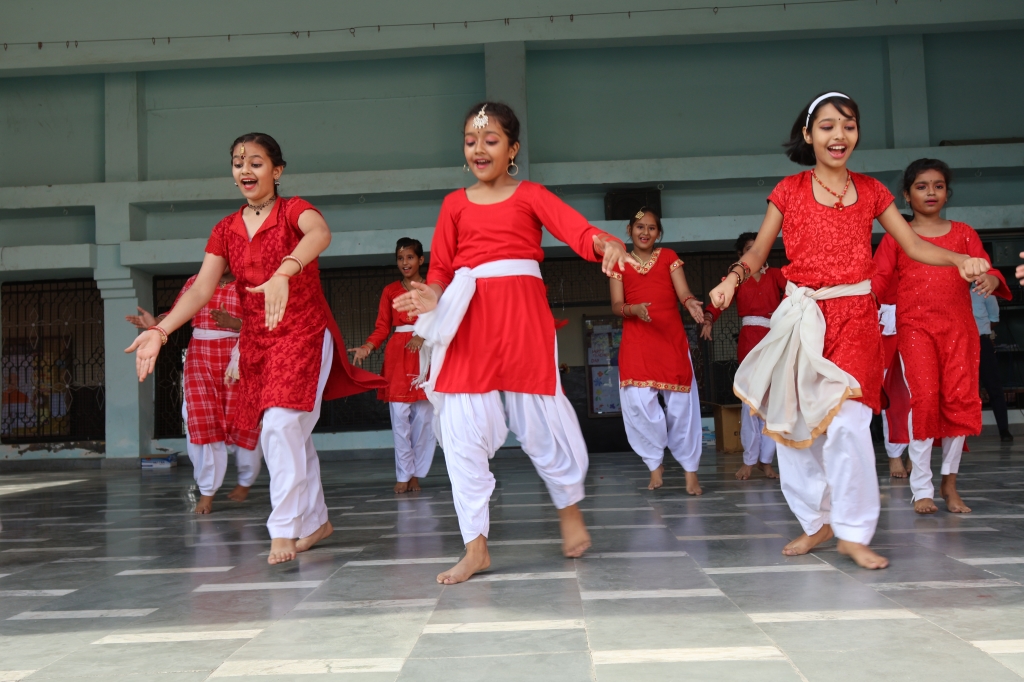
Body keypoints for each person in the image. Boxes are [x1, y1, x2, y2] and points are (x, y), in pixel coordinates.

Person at [708, 92, 991, 570]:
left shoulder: (873, 191)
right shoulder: (789, 190)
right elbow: (758, 251)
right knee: (795, 426)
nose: (839, 135)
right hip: (803, 319)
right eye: (827, 126)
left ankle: (854, 532)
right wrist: (732, 279)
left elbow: (913, 244)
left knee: (850, 424)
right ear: (808, 134)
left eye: (849, 125)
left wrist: (960, 259)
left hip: (857, 316)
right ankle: (816, 520)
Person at [393, 102, 628, 585]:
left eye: (491, 140)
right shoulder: (453, 204)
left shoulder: (531, 195)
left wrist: (606, 243)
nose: (479, 149)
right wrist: (430, 295)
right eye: (470, 141)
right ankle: (475, 547)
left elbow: (578, 231)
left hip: (522, 314)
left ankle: (568, 507)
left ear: (513, 149)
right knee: (460, 426)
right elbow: (441, 269)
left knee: (541, 417)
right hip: (467, 315)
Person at [126, 132, 386, 565]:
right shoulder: (225, 229)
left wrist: (285, 271)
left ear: (277, 170)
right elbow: (201, 289)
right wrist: (162, 330)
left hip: (302, 333)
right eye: (238, 163)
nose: (245, 170)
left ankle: (283, 528)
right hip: (256, 342)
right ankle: (316, 522)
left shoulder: (293, 211)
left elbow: (320, 233)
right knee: (291, 432)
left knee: (280, 427)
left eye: (256, 162)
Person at [873, 158, 1009, 514]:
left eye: (938, 186)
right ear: (906, 195)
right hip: (915, 330)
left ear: (947, 193)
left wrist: (990, 279)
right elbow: (878, 282)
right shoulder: (896, 237)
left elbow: (988, 269)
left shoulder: (964, 233)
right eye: (921, 186)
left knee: (959, 401)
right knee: (924, 401)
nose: (930, 192)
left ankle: (950, 483)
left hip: (959, 330)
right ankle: (922, 488)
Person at [126, 269, 261, 513]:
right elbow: (177, 312)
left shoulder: (251, 283)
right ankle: (207, 492)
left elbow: (263, 323)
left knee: (244, 421)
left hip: (239, 358)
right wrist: (157, 323)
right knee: (201, 421)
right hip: (200, 357)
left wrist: (235, 324)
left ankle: (246, 480)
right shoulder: (195, 282)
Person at [609, 208, 705, 493]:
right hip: (637, 341)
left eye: (651, 228)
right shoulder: (618, 262)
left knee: (682, 407)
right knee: (638, 404)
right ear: (629, 230)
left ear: (658, 233)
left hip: (670, 339)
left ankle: (690, 471)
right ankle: (654, 464)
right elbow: (616, 305)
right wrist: (634, 310)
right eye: (640, 227)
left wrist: (690, 303)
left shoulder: (668, 257)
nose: (645, 232)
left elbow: (683, 292)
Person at [350, 238, 437, 494]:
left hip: (425, 353)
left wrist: (423, 335)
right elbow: (382, 327)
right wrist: (367, 347)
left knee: (424, 419)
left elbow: (442, 318)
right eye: (400, 258)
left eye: (410, 257)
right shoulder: (390, 291)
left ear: (421, 260)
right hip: (398, 355)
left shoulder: (433, 287)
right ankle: (403, 473)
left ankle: (416, 474)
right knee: (399, 418)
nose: (405, 263)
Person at [702, 232, 785, 481]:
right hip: (749, 342)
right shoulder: (736, 278)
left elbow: (795, 293)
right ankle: (749, 461)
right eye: (749, 249)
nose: (755, 252)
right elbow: (718, 302)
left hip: (775, 339)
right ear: (741, 255)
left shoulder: (776, 274)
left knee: (772, 403)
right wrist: (708, 320)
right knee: (750, 402)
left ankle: (765, 461)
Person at [876, 280, 911, 477]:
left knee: (920, 397)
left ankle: (915, 452)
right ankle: (894, 454)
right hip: (884, 330)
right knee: (893, 400)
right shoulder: (880, 265)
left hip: (915, 321)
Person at [973, 286, 1013, 443]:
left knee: (994, 386)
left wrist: (980, 329)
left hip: (982, 342)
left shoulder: (984, 291)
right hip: (959, 343)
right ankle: (960, 431)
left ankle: (1004, 430)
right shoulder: (953, 290)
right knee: (958, 387)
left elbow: (994, 319)